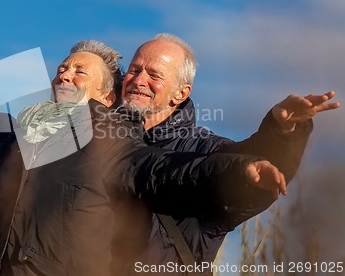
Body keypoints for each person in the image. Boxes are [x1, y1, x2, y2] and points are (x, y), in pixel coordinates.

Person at [0, 41, 289, 276]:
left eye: (79, 71)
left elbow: (180, 172)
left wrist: (256, 158)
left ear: (105, 97)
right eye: (62, 68)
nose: (64, 75)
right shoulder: (42, 134)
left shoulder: (117, 147)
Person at [118, 33, 340, 273]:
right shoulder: (99, 141)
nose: (139, 80)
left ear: (180, 93)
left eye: (154, 75)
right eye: (134, 69)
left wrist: (281, 131)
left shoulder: (205, 149)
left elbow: (245, 164)